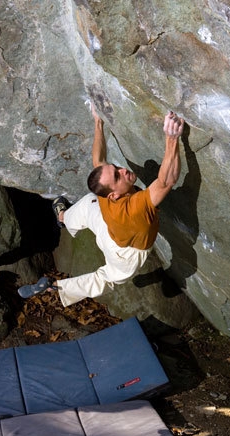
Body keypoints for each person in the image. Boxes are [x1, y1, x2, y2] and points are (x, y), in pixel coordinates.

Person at [18, 105, 184, 306]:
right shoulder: (135, 208)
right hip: (125, 255)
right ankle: (57, 286)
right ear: (113, 194)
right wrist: (172, 139)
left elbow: (98, 160)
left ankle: (62, 217)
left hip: (107, 228)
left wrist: (98, 122)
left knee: (90, 204)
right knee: (104, 278)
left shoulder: (105, 193)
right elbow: (166, 181)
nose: (123, 170)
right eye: (117, 175)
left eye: (116, 168)